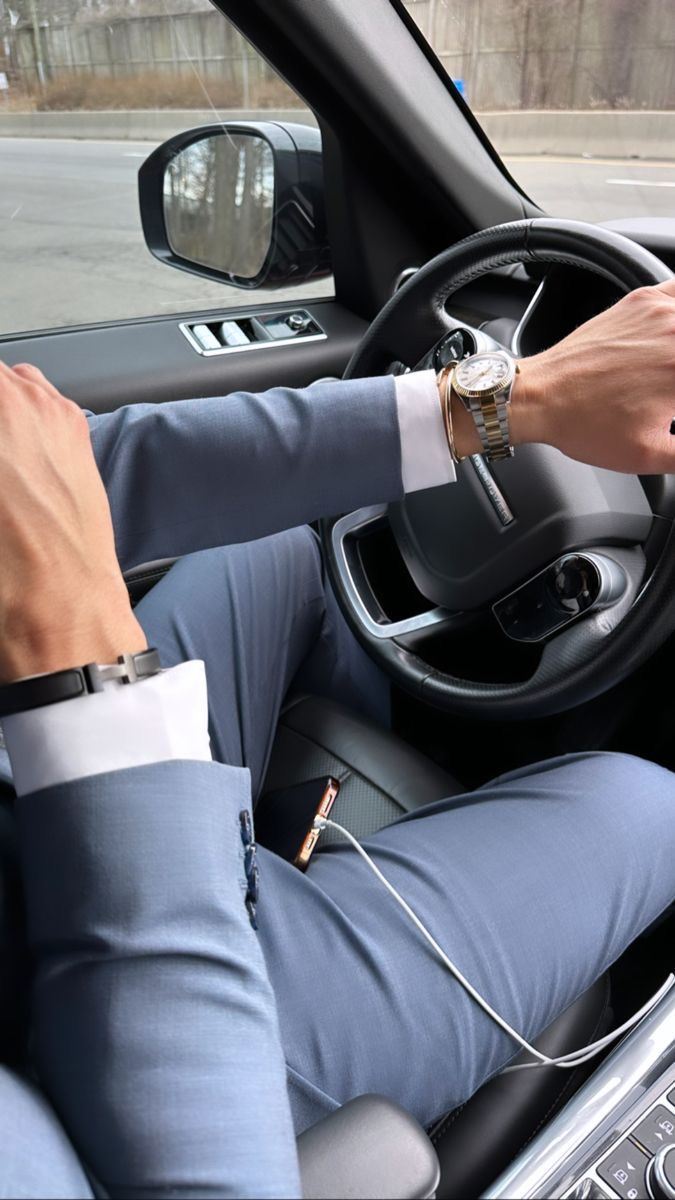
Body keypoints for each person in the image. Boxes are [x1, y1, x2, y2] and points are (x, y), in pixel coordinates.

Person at [1, 281, 675, 1199]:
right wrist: (80, 678)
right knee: (646, 799)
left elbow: (89, 468)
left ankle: (338, 842)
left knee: (275, 548)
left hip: (30, 794)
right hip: (92, 1042)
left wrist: (516, 399)